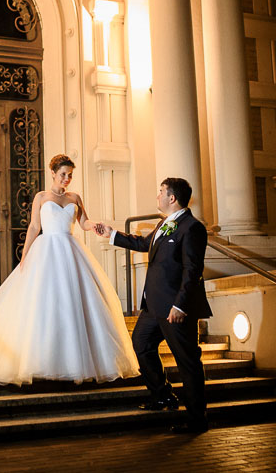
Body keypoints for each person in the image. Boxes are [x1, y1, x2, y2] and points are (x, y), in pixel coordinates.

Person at [0, 154, 139, 385]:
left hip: (72, 252)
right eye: (63, 174)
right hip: (47, 251)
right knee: (41, 304)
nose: (67, 178)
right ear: (52, 173)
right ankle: (39, 359)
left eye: (70, 175)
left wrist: (95, 225)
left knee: (74, 302)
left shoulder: (75, 197)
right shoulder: (41, 197)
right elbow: (34, 226)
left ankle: (74, 360)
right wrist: (25, 255)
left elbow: (83, 223)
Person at [95, 177, 212, 434]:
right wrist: (112, 234)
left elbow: (192, 270)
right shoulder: (164, 224)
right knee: (141, 345)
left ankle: (196, 418)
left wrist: (180, 306)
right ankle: (162, 395)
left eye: (161, 192)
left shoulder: (192, 228)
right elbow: (143, 244)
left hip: (175, 309)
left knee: (187, 361)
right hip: (153, 307)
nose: (157, 196)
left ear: (172, 198)